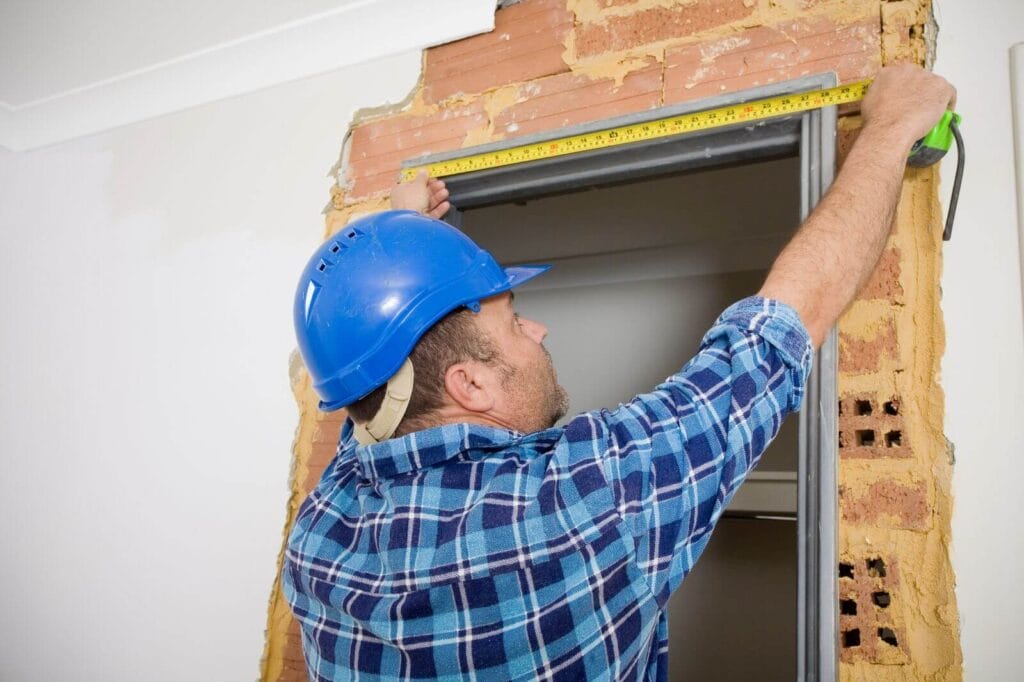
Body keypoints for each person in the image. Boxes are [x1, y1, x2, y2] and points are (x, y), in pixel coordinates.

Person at [283, 63, 955, 680]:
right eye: (515, 323)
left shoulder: (321, 531)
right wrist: (892, 128)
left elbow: (377, 404)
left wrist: (403, 245)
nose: (538, 330)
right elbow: (779, 328)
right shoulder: (584, 500)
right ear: (471, 385)